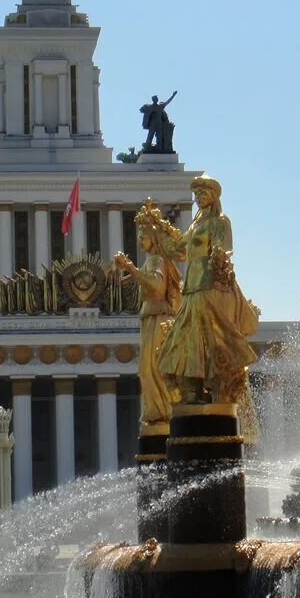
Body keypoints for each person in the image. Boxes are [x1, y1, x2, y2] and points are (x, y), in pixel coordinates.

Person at [155, 176, 260, 434]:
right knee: (184, 340)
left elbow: (225, 249)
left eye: (203, 193)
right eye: (197, 194)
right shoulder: (194, 225)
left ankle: (215, 386)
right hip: (192, 288)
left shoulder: (219, 221)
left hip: (210, 286)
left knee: (210, 340)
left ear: (213, 195)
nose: (199, 197)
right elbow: (178, 249)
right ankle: (192, 389)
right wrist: (158, 231)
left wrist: (218, 256)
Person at [114, 199, 182, 434]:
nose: (140, 242)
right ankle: (157, 414)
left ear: (153, 239)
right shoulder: (153, 261)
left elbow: (156, 286)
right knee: (147, 369)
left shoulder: (157, 259)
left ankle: (161, 415)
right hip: (151, 318)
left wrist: (130, 268)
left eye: (143, 237)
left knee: (152, 369)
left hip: (157, 318)